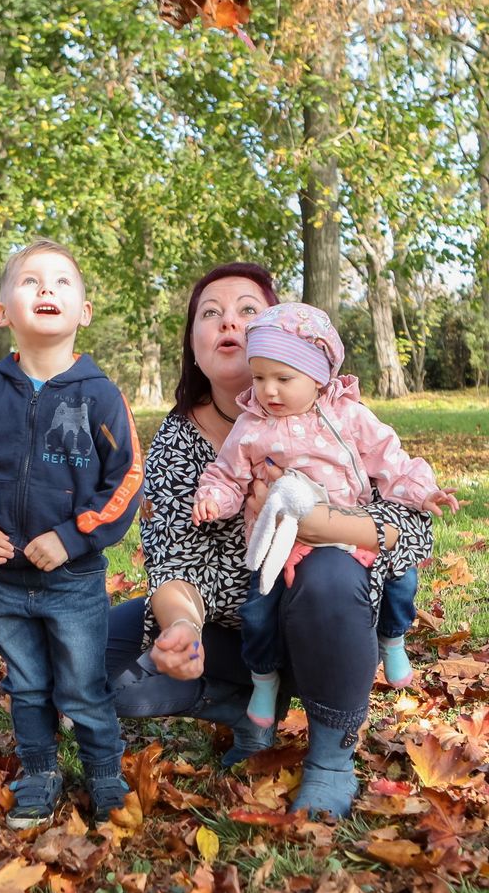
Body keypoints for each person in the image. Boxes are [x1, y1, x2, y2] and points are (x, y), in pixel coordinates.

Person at [107, 261, 426, 818]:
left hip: (328, 622)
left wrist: (325, 525)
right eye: (210, 313)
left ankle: (330, 755)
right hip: (234, 634)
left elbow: (415, 523)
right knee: (92, 658)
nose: (228, 321)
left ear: (280, 332)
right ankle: (249, 707)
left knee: (327, 575)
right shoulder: (176, 443)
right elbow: (169, 562)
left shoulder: (339, 420)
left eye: (246, 310)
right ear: (193, 341)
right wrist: (181, 625)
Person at [0, 239, 143, 828]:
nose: (47, 290)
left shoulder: (99, 395)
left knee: (82, 687)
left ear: (84, 312)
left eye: (62, 282)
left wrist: (76, 536)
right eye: (31, 282)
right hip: (3, 582)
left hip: (73, 579)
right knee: (26, 685)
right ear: (2, 312)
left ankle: (106, 776)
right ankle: (39, 772)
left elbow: (125, 478)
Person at [192, 302, 458, 728]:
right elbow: (227, 475)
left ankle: (392, 638)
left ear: (318, 376)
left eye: (283, 378)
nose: (269, 391)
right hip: (280, 545)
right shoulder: (252, 426)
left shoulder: (347, 415)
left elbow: (388, 457)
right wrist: (213, 499)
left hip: (347, 530)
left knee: (402, 579)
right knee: (257, 613)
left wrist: (422, 491)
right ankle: (264, 678)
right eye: (259, 378)